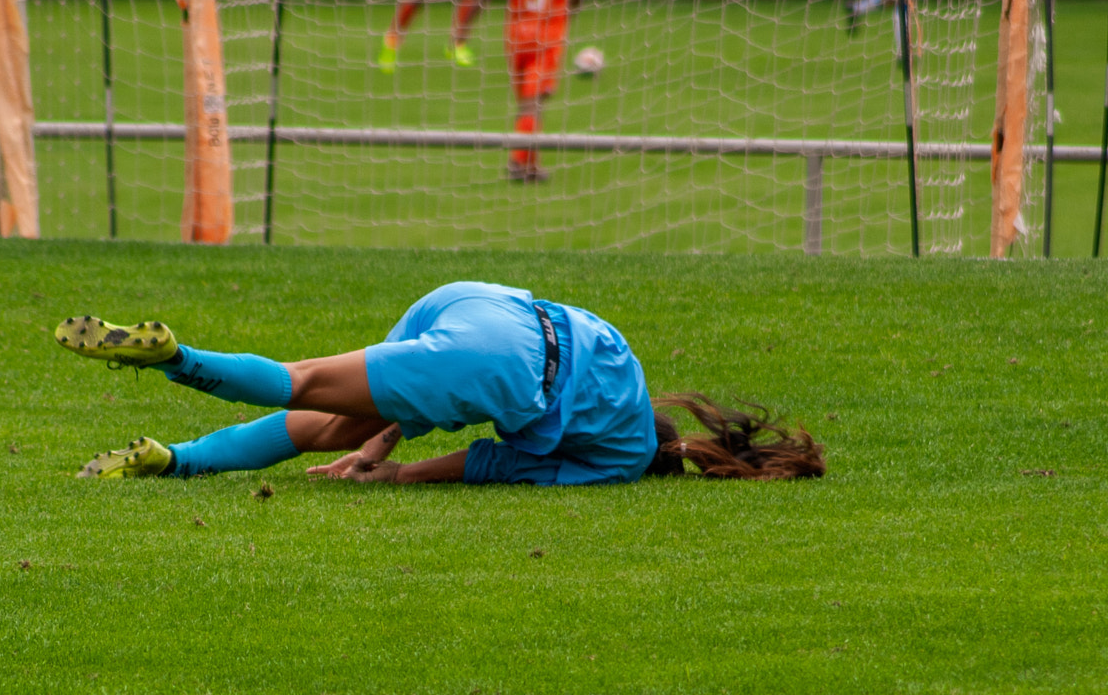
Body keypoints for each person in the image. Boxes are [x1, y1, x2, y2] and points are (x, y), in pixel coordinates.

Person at [53, 283, 823, 486]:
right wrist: (397, 477)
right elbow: (491, 462)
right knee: (305, 384)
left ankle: (173, 459)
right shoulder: (620, 457)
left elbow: (441, 392)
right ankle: (178, 356)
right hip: (499, 361)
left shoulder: (626, 361)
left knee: (341, 422)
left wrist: (386, 438)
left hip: (481, 301)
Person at [488, 0, 583, 182]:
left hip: (516, 34)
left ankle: (531, 167)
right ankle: (518, 162)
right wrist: (570, 14)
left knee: (527, 104)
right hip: (548, 33)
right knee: (535, 103)